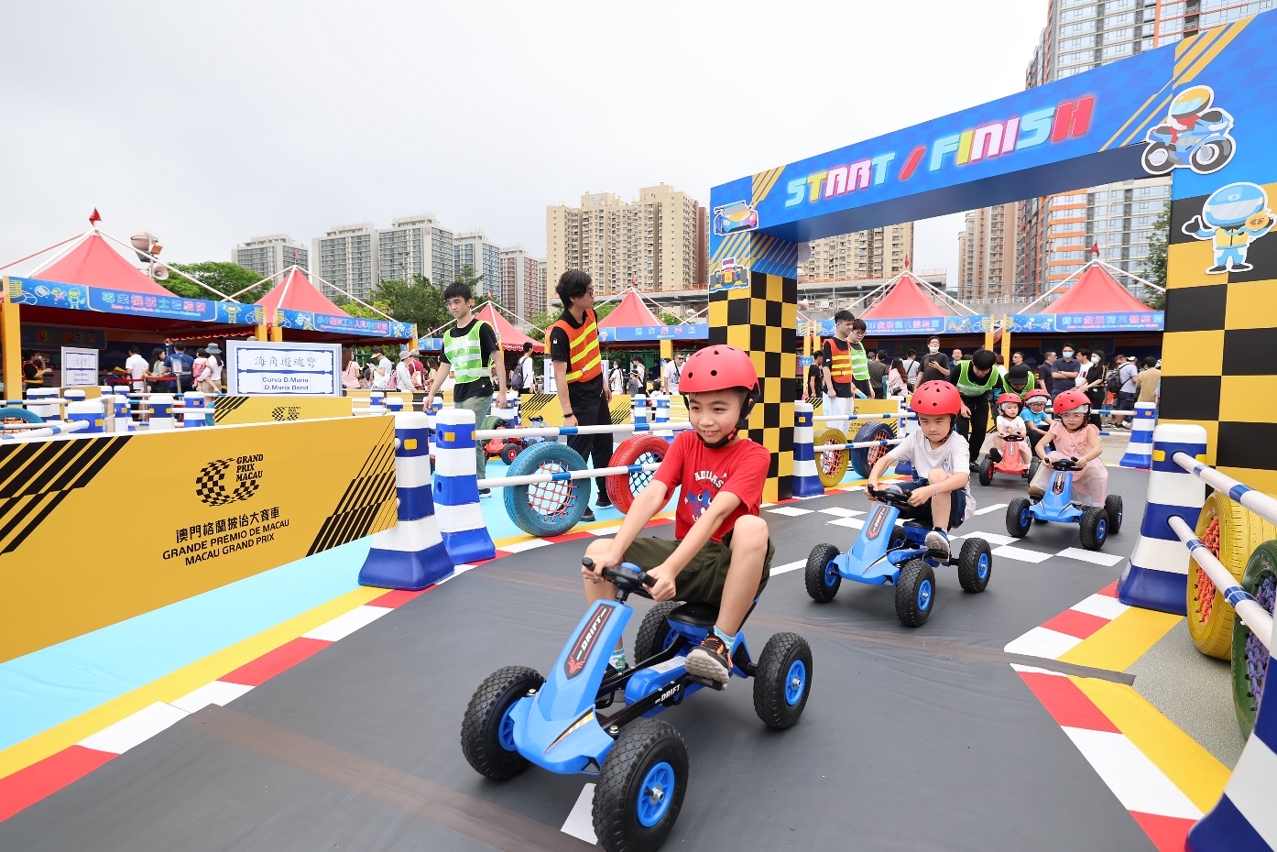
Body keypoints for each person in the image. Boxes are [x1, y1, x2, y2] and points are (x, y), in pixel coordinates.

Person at [580, 344, 771, 685]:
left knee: (752, 526)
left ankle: (720, 643)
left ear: (746, 407)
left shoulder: (754, 455)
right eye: (696, 408)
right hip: (689, 558)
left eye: (718, 408)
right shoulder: (685, 443)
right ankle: (612, 662)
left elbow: (716, 514)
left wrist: (670, 568)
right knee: (597, 551)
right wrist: (615, 551)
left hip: (727, 566)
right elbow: (653, 494)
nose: (705, 420)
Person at [866, 380, 974, 561]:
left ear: (952, 419)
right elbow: (886, 460)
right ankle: (871, 545)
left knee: (936, 474)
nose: (931, 428)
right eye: (925, 421)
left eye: (939, 421)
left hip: (954, 504)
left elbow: (962, 478)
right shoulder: (916, 438)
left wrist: (930, 490)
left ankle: (940, 535)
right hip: (920, 497)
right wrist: (872, 482)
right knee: (885, 494)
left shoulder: (958, 442)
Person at [428, 282, 507, 492]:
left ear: (469, 302)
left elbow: (498, 359)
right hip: (460, 391)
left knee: (466, 433)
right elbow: (444, 367)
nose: (453, 307)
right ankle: (478, 482)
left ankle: (475, 483)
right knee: (471, 435)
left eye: (457, 302)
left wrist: (502, 392)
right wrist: (431, 393)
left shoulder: (482, 328)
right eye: (449, 303)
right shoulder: (448, 335)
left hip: (480, 388)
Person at [548, 270, 613, 522]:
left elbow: (593, 351)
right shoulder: (559, 332)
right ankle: (576, 501)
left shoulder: (592, 315)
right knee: (579, 451)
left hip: (597, 390)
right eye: (589, 291)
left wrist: (603, 383)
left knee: (604, 445)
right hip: (578, 397)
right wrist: (568, 413)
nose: (593, 295)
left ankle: (605, 493)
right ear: (574, 297)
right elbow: (559, 376)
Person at [1029, 388, 1107, 506]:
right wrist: (1045, 458)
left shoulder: (1089, 430)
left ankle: (1097, 504)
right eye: (1066, 415)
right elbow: (1040, 445)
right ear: (1060, 416)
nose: (1071, 419)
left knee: (1093, 473)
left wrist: (1085, 459)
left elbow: (1097, 448)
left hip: (1083, 464)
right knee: (1052, 456)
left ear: (1085, 415)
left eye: (1076, 415)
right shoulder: (1057, 428)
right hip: (1061, 463)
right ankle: (1039, 488)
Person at [948, 348, 1002, 471]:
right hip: (960, 400)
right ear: (973, 363)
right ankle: (959, 460)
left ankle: (971, 460)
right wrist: (961, 406)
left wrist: (1001, 410)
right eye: (978, 369)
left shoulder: (994, 373)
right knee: (961, 432)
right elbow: (950, 388)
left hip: (980, 402)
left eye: (985, 370)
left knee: (979, 431)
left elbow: (998, 392)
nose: (981, 373)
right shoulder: (960, 369)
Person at [822, 310, 856, 430]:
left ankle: (841, 443)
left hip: (846, 389)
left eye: (851, 324)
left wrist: (850, 384)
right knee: (834, 425)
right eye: (847, 324)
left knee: (846, 423)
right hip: (835, 391)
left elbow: (847, 366)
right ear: (838, 324)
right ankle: (833, 444)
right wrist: (830, 388)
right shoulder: (829, 343)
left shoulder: (847, 343)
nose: (850, 327)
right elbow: (826, 367)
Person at [989, 392, 1031, 467]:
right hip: (1004, 438)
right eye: (1009, 408)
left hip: (1017, 439)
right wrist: (1001, 432)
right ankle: (999, 453)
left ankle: (1028, 465)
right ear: (1002, 409)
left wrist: (1023, 432)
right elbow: (999, 425)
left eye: (1015, 407)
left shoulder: (1019, 419)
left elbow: (1022, 427)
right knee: (997, 436)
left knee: (1022, 448)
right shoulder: (1000, 418)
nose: (1013, 410)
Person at [1080, 349, 1107, 428]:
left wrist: (1088, 386)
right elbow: (1087, 378)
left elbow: (1100, 379)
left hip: (1098, 391)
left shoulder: (1103, 367)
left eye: (1095, 356)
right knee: (1088, 412)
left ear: (1100, 357)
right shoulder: (1091, 368)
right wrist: (1078, 386)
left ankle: (1098, 429)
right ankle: (1089, 429)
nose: (1093, 358)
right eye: (1092, 356)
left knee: (1095, 412)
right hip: (1089, 391)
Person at [849, 318, 873, 398]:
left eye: (863, 333)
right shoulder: (845, 345)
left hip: (864, 382)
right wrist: (849, 383)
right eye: (858, 333)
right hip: (853, 382)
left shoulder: (860, 344)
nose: (860, 335)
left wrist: (870, 386)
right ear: (850, 331)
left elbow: (864, 368)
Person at [1022, 388, 1052, 453]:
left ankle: (1054, 450)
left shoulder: (1040, 412)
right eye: (1036, 404)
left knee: (1052, 428)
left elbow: (1052, 423)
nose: (1039, 407)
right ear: (1029, 404)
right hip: (1026, 433)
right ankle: (1035, 453)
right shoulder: (1026, 412)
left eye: (1042, 404)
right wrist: (1048, 434)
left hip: (1037, 430)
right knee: (1034, 433)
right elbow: (1032, 428)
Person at [1113, 355, 1139, 428]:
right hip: (1128, 390)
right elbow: (1135, 380)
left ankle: (1117, 423)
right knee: (1124, 408)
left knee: (1119, 407)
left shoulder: (1119, 367)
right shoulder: (1132, 367)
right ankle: (1119, 424)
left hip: (1120, 390)